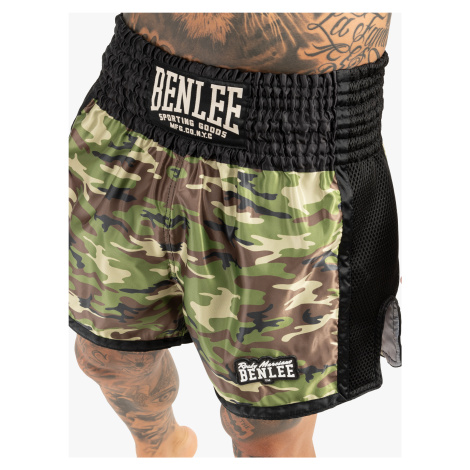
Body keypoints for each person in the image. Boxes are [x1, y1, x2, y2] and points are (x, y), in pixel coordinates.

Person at [69, 13, 401, 458]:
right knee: (107, 358)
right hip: (127, 111)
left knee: (265, 430)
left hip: (289, 156)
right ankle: (161, 448)